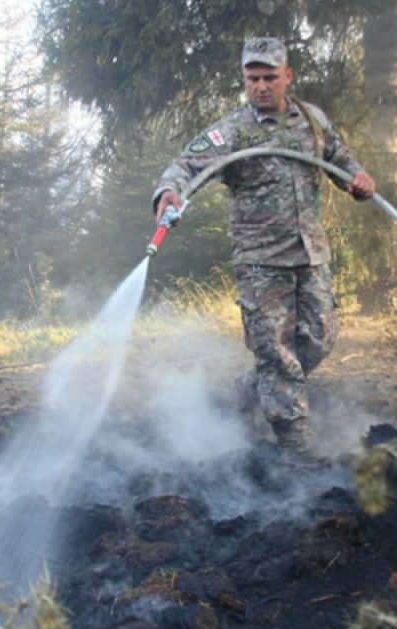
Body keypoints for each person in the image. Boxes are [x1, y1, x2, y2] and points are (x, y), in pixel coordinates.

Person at [152, 37, 376, 455]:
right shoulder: (233, 131)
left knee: (318, 341)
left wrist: (357, 178)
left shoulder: (313, 120)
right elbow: (185, 166)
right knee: (276, 356)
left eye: (269, 77)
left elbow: (341, 158)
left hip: (311, 255)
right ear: (244, 81)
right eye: (252, 78)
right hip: (260, 263)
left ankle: (245, 391)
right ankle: (297, 451)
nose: (260, 86)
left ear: (287, 76)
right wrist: (169, 193)